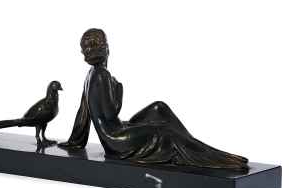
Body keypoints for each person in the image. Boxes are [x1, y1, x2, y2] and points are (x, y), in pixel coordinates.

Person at [59, 28, 248, 169]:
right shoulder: (101, 75)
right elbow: (110, 113)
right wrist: (119, 91)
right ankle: (201, 153)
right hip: (116, 140)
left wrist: (75, 140)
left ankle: (191, 144)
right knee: (165, 131)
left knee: (158, 108)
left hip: (119, 129)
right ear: (107, 49)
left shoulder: (92, 75)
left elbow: (82, 114)